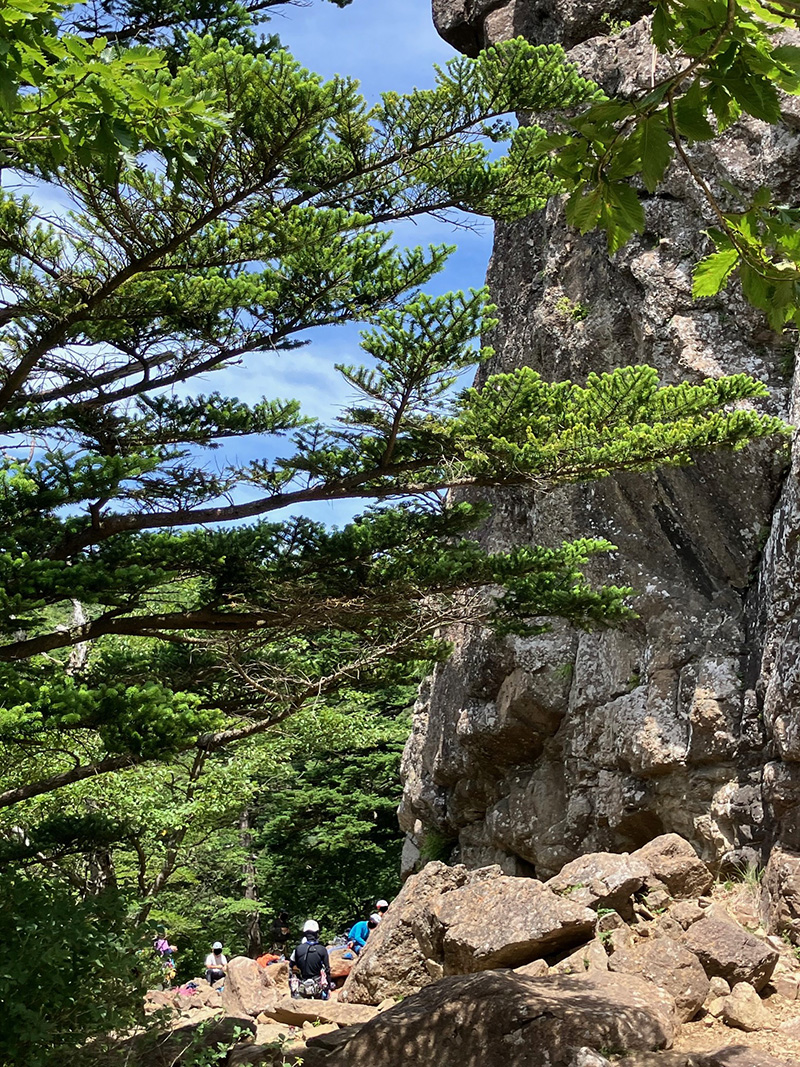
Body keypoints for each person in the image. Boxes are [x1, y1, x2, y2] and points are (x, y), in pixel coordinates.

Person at [289, 920, 331, 1000]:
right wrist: (328, 988)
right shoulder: (322, 949)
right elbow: (327, 970)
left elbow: (291, 967)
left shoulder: (298, 949)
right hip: (317, 989)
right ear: (316, 933)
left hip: (302, 988)